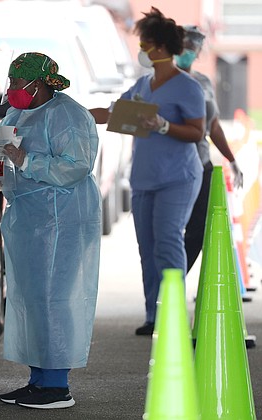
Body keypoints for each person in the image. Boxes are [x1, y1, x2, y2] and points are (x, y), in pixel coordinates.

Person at [0, 52, 101, 410]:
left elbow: (76, 167)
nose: (11, 89)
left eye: (16, 83)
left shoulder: (68, 116)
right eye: (11, 82)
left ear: (39, 84)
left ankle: (57, 386)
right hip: (29, 218)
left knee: (55, 301)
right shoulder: (18, 113)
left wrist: (29, 160)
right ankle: (38, 380)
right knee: (30, 300)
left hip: (62, 219)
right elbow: (0, 158)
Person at [90, 8, 205, 336]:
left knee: (168, 242)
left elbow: (197, 132)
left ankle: (173, 315)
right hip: (144, 178)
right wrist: (72, 112)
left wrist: (165, 125)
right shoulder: (142, 83)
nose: (142, 50)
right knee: (148, 246)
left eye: (146, 44)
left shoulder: (187, 88)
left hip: (177, 178)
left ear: (162, 47)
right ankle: (153, 314)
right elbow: (114, 113)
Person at [175, 25, 244, 273]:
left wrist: (231, 159)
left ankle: (175, 279)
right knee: (169, 231)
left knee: (198, 228)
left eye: (193, 49)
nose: (188, 53)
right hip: (172, 166)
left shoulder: (203, 82)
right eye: (184, 47)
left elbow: (213, 125)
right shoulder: (161, 81)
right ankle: (163, 285)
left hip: (200, 163)